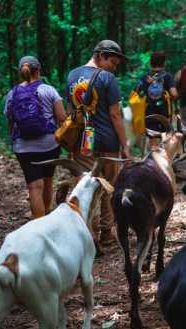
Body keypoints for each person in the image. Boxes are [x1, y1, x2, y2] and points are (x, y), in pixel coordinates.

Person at [66, 40, 130, 248]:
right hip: (107, 140)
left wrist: (70, 145)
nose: (114, 66)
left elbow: (70, 112)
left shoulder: (72, 75)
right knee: (109, 187)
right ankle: (106, 233)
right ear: (100, 55)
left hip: (83, 141)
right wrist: (125, 144)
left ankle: (89, 235)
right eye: (112, 61)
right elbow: (115, 114)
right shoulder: (107, 78)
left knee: (87, 186)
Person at [5, 56, 67, 219]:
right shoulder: (49, 90)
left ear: (21, 73)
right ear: (38, 70)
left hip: (23, 147)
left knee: (34, 187)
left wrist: (14, 141)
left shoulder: (12, 93)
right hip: (49, 144)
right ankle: (46, 215)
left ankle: (38, 224)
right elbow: (62, 118)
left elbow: (10, 122)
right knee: (47, 181)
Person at [134, 52, 178, 147]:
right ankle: (165, 158)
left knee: (153, 138)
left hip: (148, 112)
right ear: (164, 63)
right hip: (164, 113)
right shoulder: (167, 76)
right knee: (166, 137)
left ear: (150, 62)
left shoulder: (144, 77)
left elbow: (136, 92)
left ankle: (154, 158)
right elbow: (174, 94)